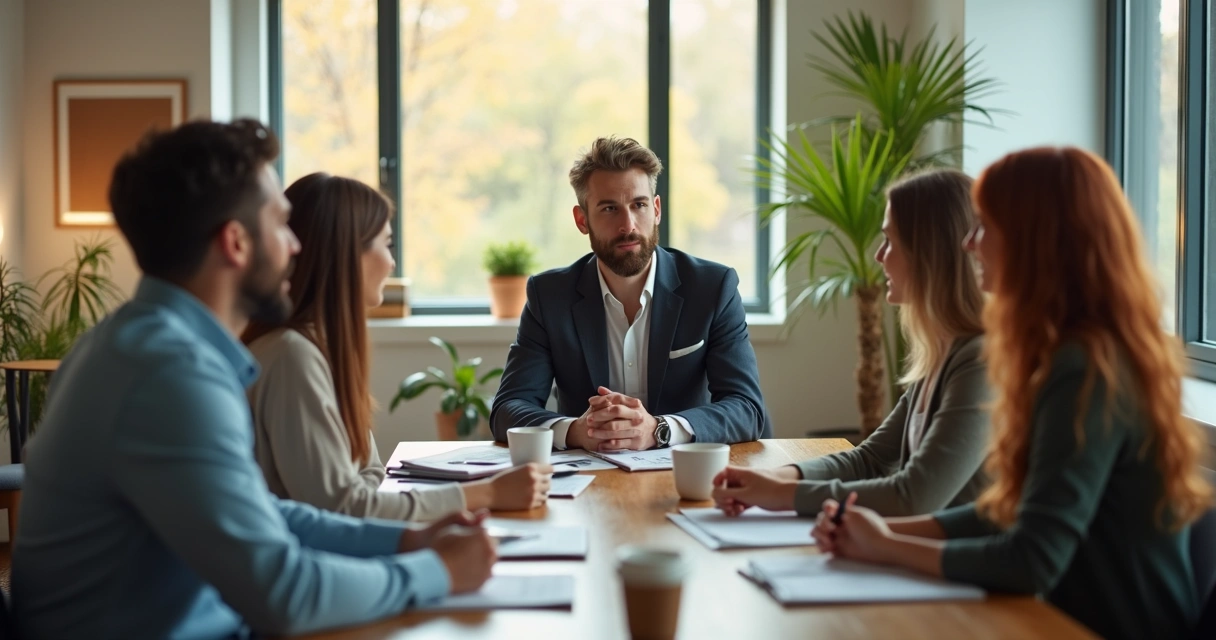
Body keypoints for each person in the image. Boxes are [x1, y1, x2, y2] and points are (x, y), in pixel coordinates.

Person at [11, 120, 497, 639]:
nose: (295, 246)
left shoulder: (140, 345)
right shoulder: (171, 376)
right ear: (236, 242)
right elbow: (284, 594)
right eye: (282, 224)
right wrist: (438, 571)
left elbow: (269, 515)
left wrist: (406, 543)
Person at [812, 147, 1212, 640]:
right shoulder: (1069, 351)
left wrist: (887, 546)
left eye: (984, 226)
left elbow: (1032, 558)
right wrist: (879, 531)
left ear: (1034, 239)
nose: (969, 244)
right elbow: (1011, 508)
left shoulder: (1083, 366)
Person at [244, 172, 550, 520]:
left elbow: (371, 477)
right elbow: (341, 507)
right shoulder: (292, 357)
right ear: (345, 254)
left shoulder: (317, 351)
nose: (391, 263)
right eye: (385, 245)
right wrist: (486, 492)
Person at [712, 170, 991, 517]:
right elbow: (869, 459)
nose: (879, 255)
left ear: (929, 253)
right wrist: (772, 477)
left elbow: (913, 495)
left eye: (890, 240)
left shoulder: (981, 360)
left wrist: (784, 494)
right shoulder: (941, 352)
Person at [489, 136, 769, 451]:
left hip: (684, 472)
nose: (628, 225)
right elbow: (507, 410)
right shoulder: (549, 296)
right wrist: (576, 431)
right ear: (582, 220)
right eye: (610, 208)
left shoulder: (713, 288)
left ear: (657, 209)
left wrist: (660, 429)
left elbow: (747, 409)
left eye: (639, 205)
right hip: (586, 482)